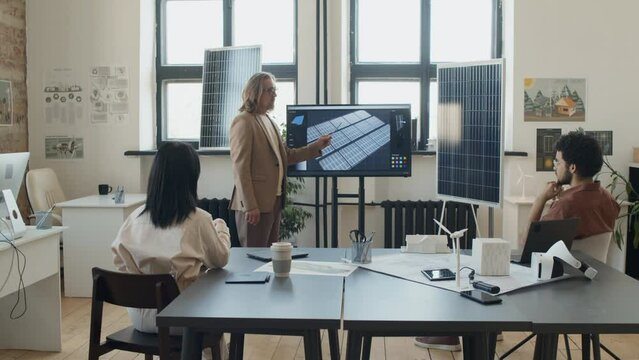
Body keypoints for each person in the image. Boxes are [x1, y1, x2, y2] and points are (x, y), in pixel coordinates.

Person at [112, 141, 231, 359]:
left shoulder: (135, 217)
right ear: (191, 177)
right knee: (211, 318)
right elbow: (220, 258)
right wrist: (221, 227)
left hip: (139, 317)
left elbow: (120, 262)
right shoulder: (198, 219)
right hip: (179, 318)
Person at [229, 72, 331, 247]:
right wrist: (250, 205)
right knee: (254, 259)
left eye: (275, 90)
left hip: (274, 201)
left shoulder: (269, 121)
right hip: (255, 205)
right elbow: (241, 168)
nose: (274, 94)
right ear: (255, 93)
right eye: (270, 90)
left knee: (269, 259)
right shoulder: (244, 122)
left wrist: (316, 147)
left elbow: (287, 156)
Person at [528, 131, 620, 239]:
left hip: (563, 257)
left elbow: (527, 243)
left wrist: (540, 199)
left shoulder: (564, 206)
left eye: (558, 162)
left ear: (572, 168)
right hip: (594, 257)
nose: (555, 167)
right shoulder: (609, 200)